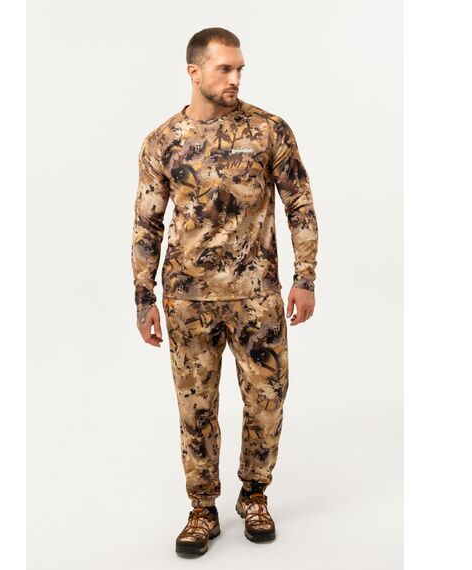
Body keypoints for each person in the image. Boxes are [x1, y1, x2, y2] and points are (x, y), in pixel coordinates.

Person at [130, 27, 319, 557]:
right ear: (195, 73)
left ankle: (254, 496)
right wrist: (144, 298)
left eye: (239, 69)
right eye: (224, 69)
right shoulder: (163, 141)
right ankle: (202, 508)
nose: (235, 78)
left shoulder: (268, 130)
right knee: (196, 410)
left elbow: (300, 204)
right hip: (187, 301)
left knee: (267, 400)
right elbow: (146, 224)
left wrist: (305, 277)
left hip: (257, 297)